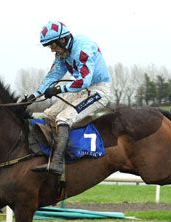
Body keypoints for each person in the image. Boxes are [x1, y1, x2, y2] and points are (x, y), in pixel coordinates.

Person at [26, 20, 112, 175]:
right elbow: (53, 76)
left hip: (98, 89)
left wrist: (58, 89)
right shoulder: (63, 52)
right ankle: (52, 156)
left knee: (64, 118)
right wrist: (34, 95)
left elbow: (83, 81)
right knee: (49, 115)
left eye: (53, 45)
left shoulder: (83, 50)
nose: (52, 50)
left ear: (63, 40)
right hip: (82, 88)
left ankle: (58, 163)